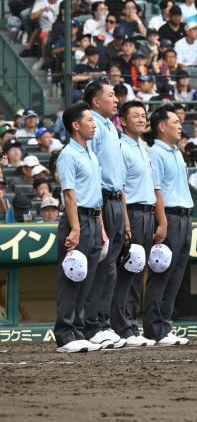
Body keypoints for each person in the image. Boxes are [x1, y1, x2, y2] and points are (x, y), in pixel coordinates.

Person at [53, 103, 106, 353]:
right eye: (89, 120)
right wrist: (75, 228)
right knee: (72, 276)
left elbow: (96, 194)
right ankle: (65, 334)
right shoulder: (68, 154)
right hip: (78, 219)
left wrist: (102, 228)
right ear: (76, 125)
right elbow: (69, 194)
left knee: (87, 279)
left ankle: (78, 330)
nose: (94, 125)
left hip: (94, 219)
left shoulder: (91, 154)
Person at [82, 79, 130, 349]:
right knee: (101, 265)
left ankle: (103, 323)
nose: (116, 99)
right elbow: (92, 169)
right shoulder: (95, 126)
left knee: (110, 266)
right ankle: (92, 325)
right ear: (96, 101)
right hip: (101, 199)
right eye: (110, 95)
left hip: (115, 199)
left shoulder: (112, 126)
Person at [143, 105, 193, 346]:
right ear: (162, 126)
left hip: (185, 216)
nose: (180, 126)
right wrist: (162, 222)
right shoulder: (155, 153)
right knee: (162, 273)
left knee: (176, 275)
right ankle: (154, 328)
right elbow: (157, 190)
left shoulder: (176, 152)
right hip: (170, 216)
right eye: (175, 122)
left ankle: (165, 325)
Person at [111, 101, 157, 348]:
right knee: (128, 271)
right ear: (123, 121)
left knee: (138, 271)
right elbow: (121, 188)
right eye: (135, 116)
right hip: (133, 213)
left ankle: (130, 325)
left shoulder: (144, 147)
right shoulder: (121, 147)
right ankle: (123, 327)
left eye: (143, 115)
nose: (141, 119)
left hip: (148, 212)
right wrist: (127, 223)